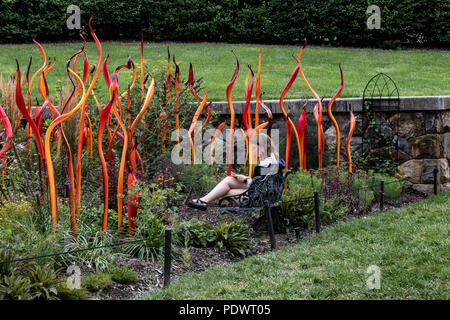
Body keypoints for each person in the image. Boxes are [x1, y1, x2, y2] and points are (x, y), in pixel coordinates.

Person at [187, 132, 285, 210]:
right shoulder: (274, 160)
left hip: (260, 198)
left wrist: (245, 180)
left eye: (255, 148)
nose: (254, 151)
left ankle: (227, 229)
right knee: (229, 180)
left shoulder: (267, 163)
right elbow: (262, 182)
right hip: (267, 195)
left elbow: (259, 186)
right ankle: (204, 201)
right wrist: (245, 178)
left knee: (224, 196)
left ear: (263, 146)